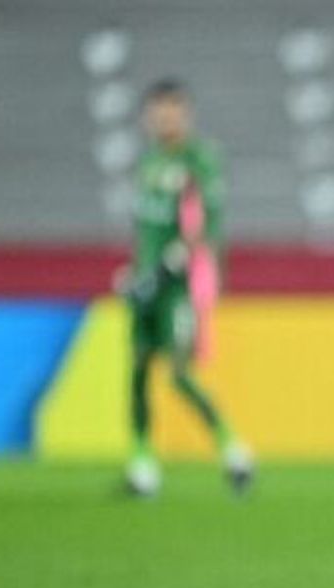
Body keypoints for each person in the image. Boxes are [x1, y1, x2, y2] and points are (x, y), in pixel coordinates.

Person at [120, 79, 252, 497]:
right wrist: (135, 270)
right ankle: (142, 463)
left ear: (186, 113)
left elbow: (209, 220)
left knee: (178, 373)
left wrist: (179, 256)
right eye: (158, 111)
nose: (165, 119)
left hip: (177, 287)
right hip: (145, 284)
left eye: (172, 111)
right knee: (138, 369)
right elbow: (145, 228)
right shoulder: (148, 163)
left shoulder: (199, 158)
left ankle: (233, 449)